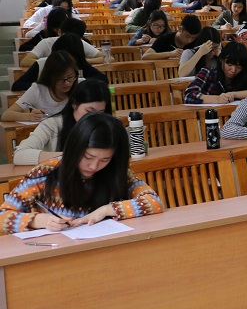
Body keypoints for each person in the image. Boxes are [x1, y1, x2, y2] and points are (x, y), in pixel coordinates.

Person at [0, 112, 164, 235]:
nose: (94, 166)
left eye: (105, 159)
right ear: (75, 148)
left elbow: (154, 202)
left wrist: (106, 210)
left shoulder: (116, 172)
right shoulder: (46, 173)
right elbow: (3, 216)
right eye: (88, 157)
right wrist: (38, 220)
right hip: (56, 253)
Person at [12, 80, 113, 165]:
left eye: (100, 112)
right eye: (89, 111)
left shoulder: (107, 127)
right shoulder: (52, 125)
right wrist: (71, 157)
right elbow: (19, 155)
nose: (94, 118)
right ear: (74, 104)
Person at [3, 50, 79, 122]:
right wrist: (29, 116)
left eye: (70, 77)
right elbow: (6, 115)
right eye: (61, 79)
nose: (67, 83)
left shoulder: (80, 86)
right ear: (50, 77)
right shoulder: (38, 90)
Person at [183, 42, 247, 105]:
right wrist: (218, 99)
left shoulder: (246, 75)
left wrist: (234, 94)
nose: (233, 70)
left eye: (239, 67)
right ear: (221, 60)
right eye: (229, 65)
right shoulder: (208, 73)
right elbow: (189, 96)